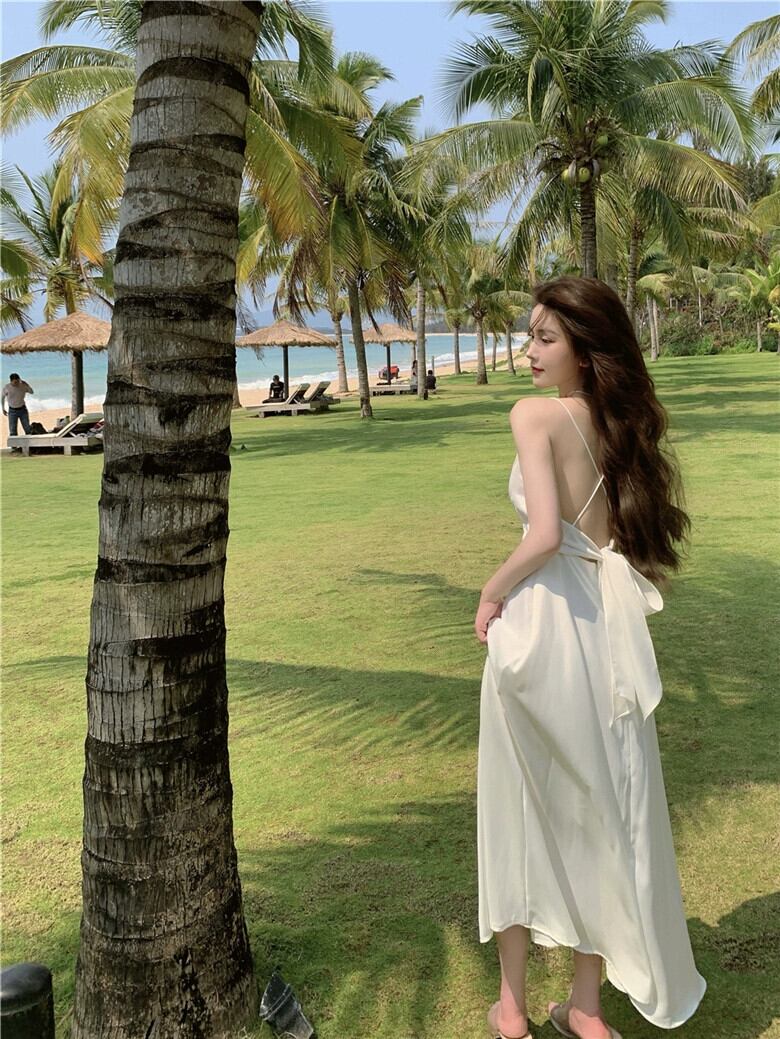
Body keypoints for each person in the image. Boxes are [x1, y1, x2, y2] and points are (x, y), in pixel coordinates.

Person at [474, 277, 705, 1039]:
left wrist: (490, 592)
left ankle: (511, 1006)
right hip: (602, 630)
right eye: (529, 334)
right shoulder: (617, 426)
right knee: (601, 811)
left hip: (539, 626)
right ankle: (585, 1005)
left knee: (517, 809)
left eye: (545, 337)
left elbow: (545, 535)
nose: (528, 349)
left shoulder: (533, 414)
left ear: (585, 348)